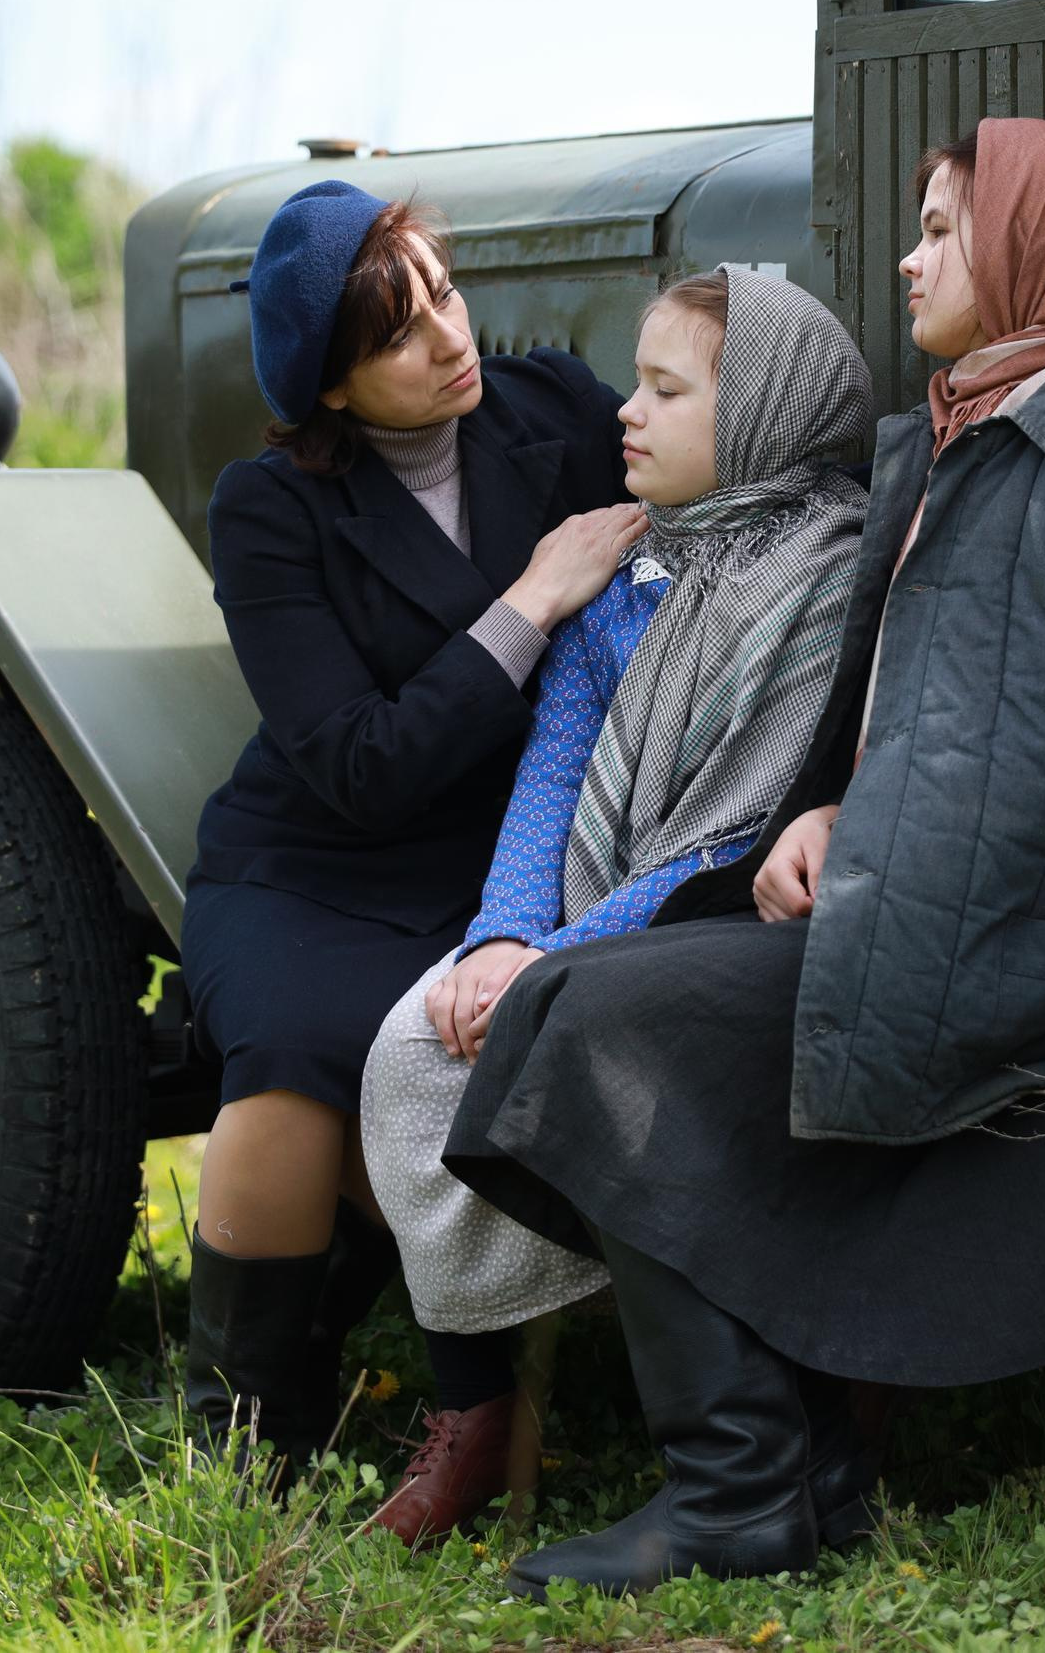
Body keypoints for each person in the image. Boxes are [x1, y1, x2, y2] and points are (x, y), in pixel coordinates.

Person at [442, 117, 1045, 1597]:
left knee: (597, 1018)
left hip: (1010, 956)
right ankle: (802, 1470)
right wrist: (830, 815)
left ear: (1034, 250)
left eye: (944, 229)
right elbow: (929, 713)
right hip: (897, 917)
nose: (909, 259)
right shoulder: (949, 438)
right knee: (571, 1003)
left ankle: (734, 1490)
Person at [357, 266, 872, 1546]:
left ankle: (699, 1390)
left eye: (665, 391)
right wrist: (502, 938)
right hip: (593, 922)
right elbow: (550, 778)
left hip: (717, 925)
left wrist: (558, 962)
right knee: (407, 1050)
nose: (626, 414)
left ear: (759, 412)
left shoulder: (824, 577)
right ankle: (504, 1394)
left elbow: (732, 838)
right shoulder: (637, 574)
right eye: (632, 385)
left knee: (538, 1045)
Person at [180, 178, 644, 1478]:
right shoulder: (269, 509)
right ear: (330, 387)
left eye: (444, 293)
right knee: (294, 1060)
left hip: (496, 865)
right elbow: (360, 764)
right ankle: (246, 1446)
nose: (449, 339)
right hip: (310, 868)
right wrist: (532, 600)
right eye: (397, 334)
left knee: (432, 1059)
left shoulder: (554, 407)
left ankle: (473, 1379)